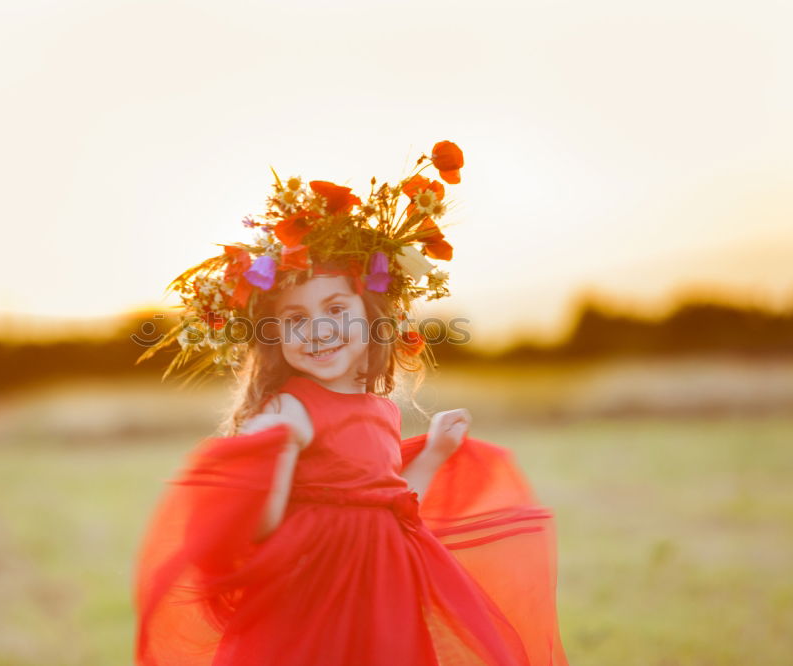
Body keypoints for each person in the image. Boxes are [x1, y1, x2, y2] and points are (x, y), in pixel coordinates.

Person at [131, 141, 569, 665]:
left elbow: (399, 511)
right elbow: (262, 525)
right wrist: (273, 449)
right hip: (314, 599)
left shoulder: (380, 408)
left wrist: (433, 454)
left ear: (372, 317)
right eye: (294, 319)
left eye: (336, 308)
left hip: (382, 596)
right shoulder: (291, 409)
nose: (318, 330)